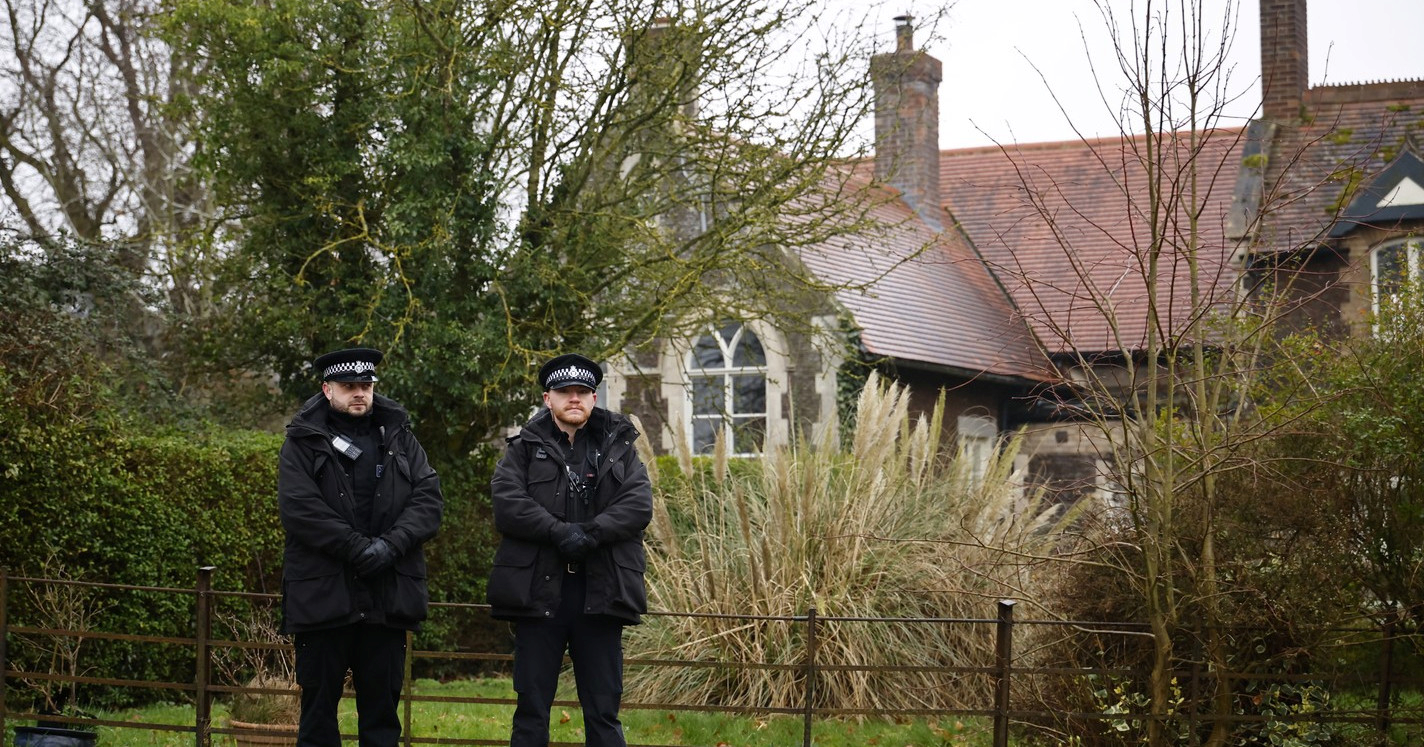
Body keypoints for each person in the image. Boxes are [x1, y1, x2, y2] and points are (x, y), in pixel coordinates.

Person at [277, 347, 444, 747]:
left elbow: (429, 500)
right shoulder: (302, 441)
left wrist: (390, 546)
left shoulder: (401, 437)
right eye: (349, 386)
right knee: (317, 717)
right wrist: (358, 549)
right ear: (327, 388)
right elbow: (301, 511)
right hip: (322, 597)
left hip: (386, 600)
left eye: (365, 386)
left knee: (382, 719)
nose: (359, 393)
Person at [488, 353, 653, 747]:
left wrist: (592, 534)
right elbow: (508, 503)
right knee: (531, 710)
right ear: (549, 399)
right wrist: (560, 533)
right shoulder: (523, 448)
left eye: (582, 392)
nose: (574, 399)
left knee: (603, 711)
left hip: (601, 593)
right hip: (539, 593)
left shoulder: (621, 447)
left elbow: (637, 505)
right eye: (565, 392)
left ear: (594, 399)